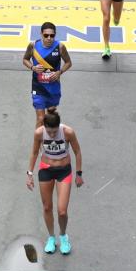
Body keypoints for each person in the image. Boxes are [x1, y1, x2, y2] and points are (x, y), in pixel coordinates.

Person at [26, 109, 83, 256]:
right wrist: (29, 174)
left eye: (54, 131)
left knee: (62, 211)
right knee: (47, 207)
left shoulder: (68, 132)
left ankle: (63, 236)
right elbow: (33, 153)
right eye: (49, 132)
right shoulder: (39, 133)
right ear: (44, 126)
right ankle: (51, 238)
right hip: (46, 170)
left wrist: (79, 174)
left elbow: (77, 151)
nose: (52, 135)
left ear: (59, 126)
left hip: (64, 171)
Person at [22, 22, 73, 128]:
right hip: (38, 87)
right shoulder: (33, 46)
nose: (49, 38)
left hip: (53, 88)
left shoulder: (60, 47)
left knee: (51, 118)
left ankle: (50, 140)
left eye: (52, 35)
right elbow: (25, 59)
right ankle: (39, 143)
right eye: (46, 35)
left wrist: (60, 72)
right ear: (41, 34)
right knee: (40, 119)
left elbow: (68, 63)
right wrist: (33, 67)